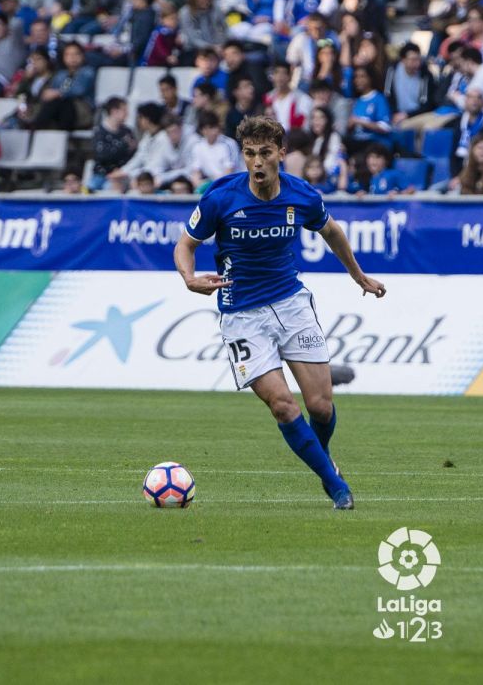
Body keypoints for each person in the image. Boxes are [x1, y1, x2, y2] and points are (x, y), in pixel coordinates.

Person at [174, 115, 386, 509]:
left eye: (265, 153)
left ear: (281, 154)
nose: (257, 162)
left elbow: (333, 233)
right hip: (241, 314)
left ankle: (321, 460)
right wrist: (188, 277)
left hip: (291, 303)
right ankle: (335, 485)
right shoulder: (221, 197)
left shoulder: (301, 195)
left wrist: (358, 276)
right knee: (283, 405)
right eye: (250, 153)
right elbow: (185, 244)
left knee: (321, 407)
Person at [91, 97, 136, 191]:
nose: (127, 114)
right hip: (100, 174)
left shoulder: (127, 132)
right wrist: (123, 145)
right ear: (114, 111)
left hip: (120, 175)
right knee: (89, 188)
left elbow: (133, 154)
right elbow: (101, 154)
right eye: (124, 110)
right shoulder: (99, 131)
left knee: (110, 189)